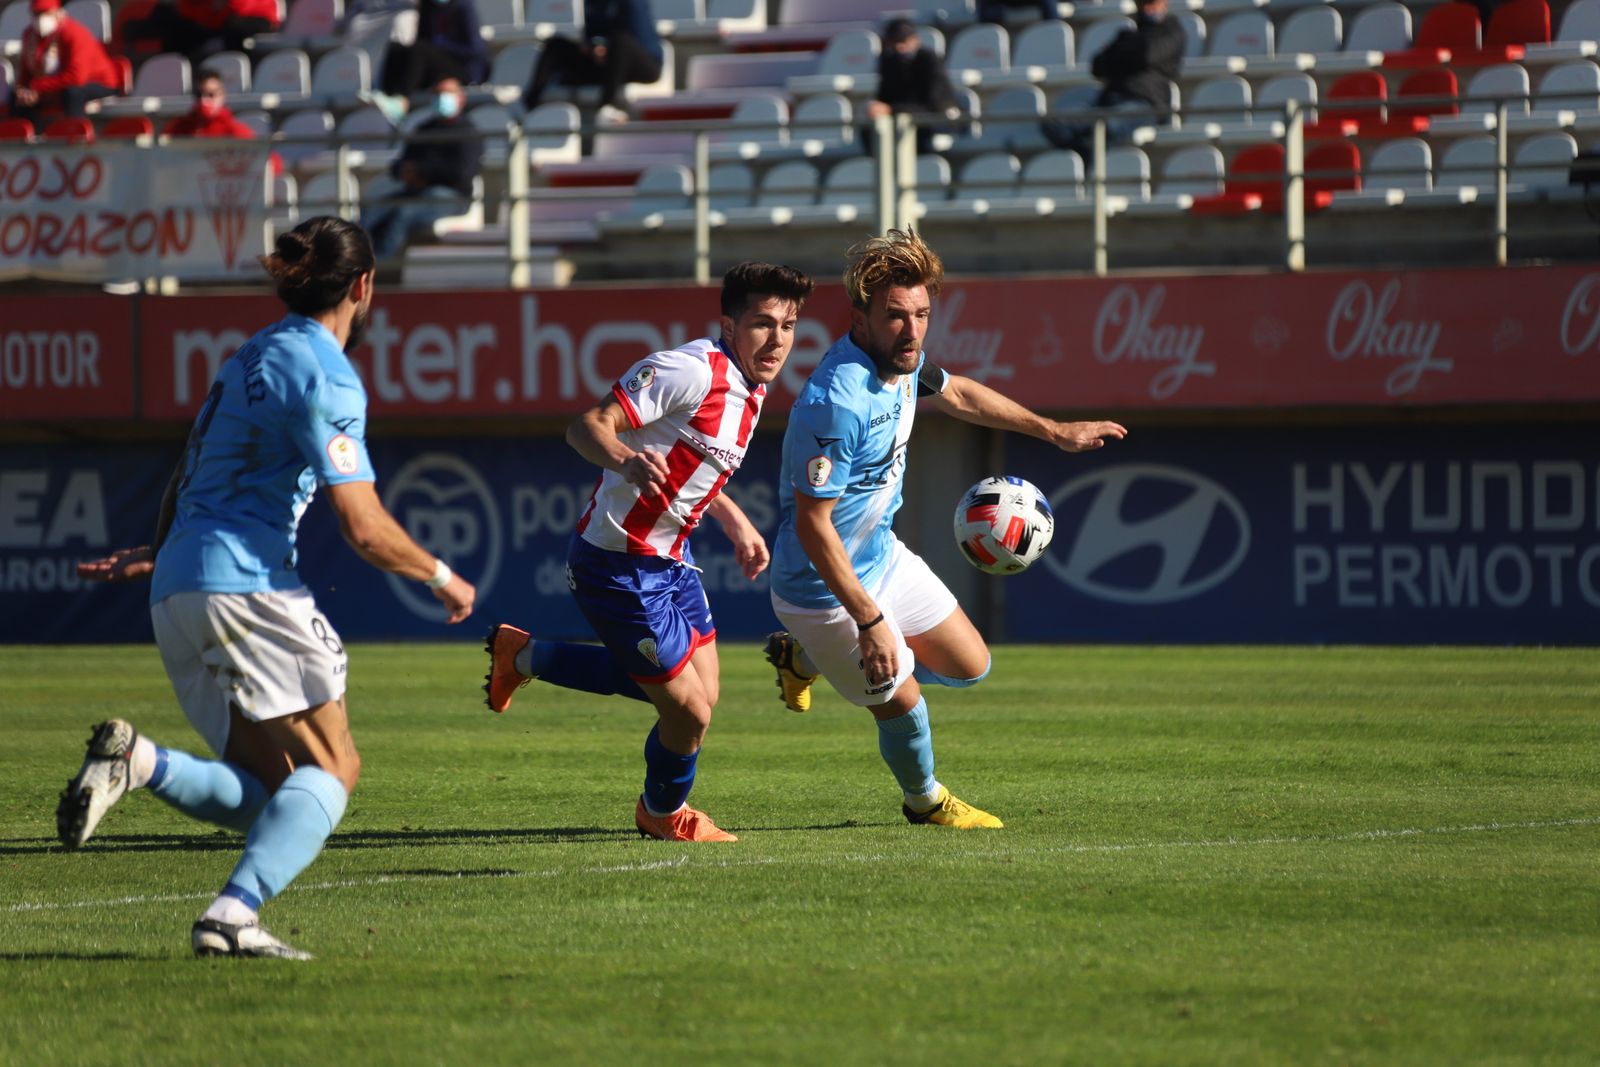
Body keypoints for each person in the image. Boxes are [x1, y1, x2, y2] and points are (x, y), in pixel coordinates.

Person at [59, 216, 477, 960]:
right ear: (363, 286)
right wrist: (442, 575)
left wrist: (161, 553)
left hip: (178, 591)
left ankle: (138, 762)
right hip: (245, 583)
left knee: (272, 792)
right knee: (333, 768)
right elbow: (362, 524)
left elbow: (188, 469)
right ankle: (231, 913)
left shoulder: (247, 355)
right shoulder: (326, 371)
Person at [764, 230, 1126, 830]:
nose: (911, 331)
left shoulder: (904, 362)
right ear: (860, 318)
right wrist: (871, 622)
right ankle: (925, 801)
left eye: (922, 315)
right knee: (903, 700)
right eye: (896, 317)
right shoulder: (836, 401)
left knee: (971, 664)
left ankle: (805, 661)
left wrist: (1052, 430)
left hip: (882, 557)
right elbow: (812, 526)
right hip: (820, 587)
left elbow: (955, 391)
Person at [483, 262, 816, 843]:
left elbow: (695, 469)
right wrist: (624, 460)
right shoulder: (686, 370)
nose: (777, 339)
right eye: (763, 323)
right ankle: (661, 814)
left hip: (672, 560)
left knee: (701, 695)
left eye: (788, 326)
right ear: (728, 325)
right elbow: (587, 427)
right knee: (688, 712)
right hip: (616, 563)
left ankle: (526, 656)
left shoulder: (752, 390)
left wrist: (736, 523)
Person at [360, 78, 482, 262]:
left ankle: (379, 269)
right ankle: (356, 265)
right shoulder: (424, 129)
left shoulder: (469, 133)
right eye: (438, 94)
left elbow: (462, 173)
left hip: (452, 197)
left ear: (461, 99)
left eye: (447, 93)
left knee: (402, 214)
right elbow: (400, 164)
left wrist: (423, 172)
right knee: (372, 212)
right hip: (415, 192)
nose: (442, 98)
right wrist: (403, 170)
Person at [1042, 0, 1183, 155]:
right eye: (1143, 4)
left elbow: (1147, 55)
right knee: (1054, 124)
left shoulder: (1171, 31)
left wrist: (1118, 55)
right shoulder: (1127, 34)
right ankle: (1086, 156)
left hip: (1144, 103)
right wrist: (1129, 53)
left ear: (1164, 4)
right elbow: (1098, 65)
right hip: (1107, 103)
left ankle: (1095, 167)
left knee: (1107, 127)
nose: (1148, 9)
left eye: (1152, 4)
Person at [521, 0, 662, 124]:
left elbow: (634, 36)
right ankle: (527, 106)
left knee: (620, 42)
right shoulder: (592, 3)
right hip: (605, 64)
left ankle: (607, 106)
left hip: (643, 65)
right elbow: (592, 34)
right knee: (555, 45)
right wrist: (594, 46)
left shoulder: (631, 3)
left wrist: (605, 46)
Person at [363, 0, 488, 125]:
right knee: (395, 48)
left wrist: (442, 45)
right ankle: (388, 97)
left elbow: (475, 50)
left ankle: (401, 101)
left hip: (463, 70)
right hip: (433, 64)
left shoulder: (463, 6)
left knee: (420, 50)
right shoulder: (427, 6)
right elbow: (422, 39)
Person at [10, 0, 121, 126]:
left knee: (73, 92)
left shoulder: (73, 33)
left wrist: (37, 87)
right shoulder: (30, 35)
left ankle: (75, 134)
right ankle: (22, 138)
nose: (40, 18)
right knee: (17, 98)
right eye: (36, 14)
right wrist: (23, 89)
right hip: (52, 84)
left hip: (99, 83)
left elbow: (77, 77)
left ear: (57, 12)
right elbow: (26, 71)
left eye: (44, 13)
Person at [865, 18, 965, 155]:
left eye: (903, 41)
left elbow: (934, 104)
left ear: (915, 40)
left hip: (938, 119)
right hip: (904, 116)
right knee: (870, 130)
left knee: (916, 131)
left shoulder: (930, 60)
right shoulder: (889, 62)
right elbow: (884, 98)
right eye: (894, 42)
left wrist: (891, 109)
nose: (899, 47)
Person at [120, 0, 282, 67]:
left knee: (234, 32)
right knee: (175, 29)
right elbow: (186, 11)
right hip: (214, 22)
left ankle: (234, 77)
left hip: (254, 17)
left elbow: (237, 8)